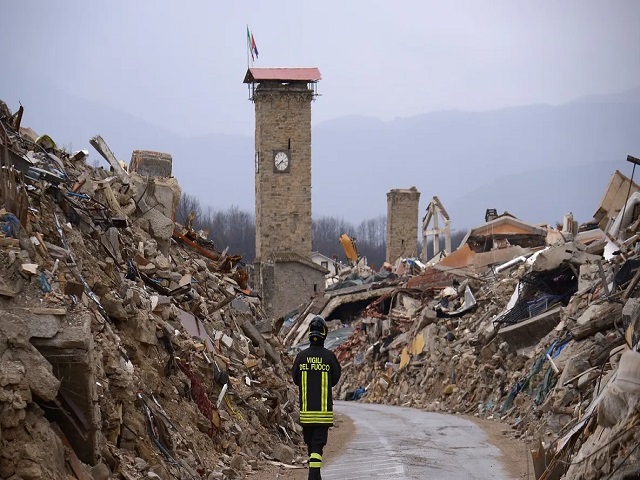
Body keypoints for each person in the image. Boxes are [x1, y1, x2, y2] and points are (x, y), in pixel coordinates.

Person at [292, 316, 342, 480]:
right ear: (325, 333)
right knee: (317, 448)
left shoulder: (301, 357)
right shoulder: (329, 357)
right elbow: (335, 380)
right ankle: (313, 476)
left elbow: (296, 380)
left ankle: (316, 476)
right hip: (323, 414)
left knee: (311, 445)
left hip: (306, 413)